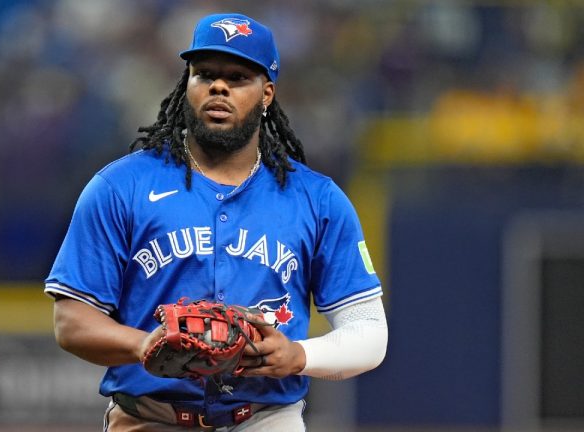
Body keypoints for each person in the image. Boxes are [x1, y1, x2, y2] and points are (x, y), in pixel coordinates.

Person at [45, 12, 388, 431]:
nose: (218, 86)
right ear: (186, 84)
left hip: (264, 419)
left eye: (238, 77)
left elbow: (369, 333)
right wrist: (144, 346)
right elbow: (71, 321)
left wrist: (300, 356)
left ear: (267, 94)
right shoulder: (121, 187)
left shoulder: (317, 200)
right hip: (149, 418)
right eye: (204, 74)